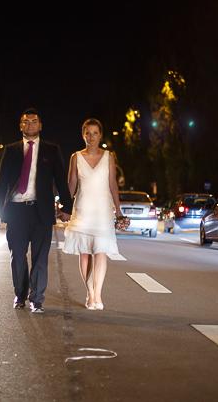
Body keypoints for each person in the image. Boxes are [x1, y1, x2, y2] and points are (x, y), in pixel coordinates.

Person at [0, 109, 73, 313]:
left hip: (41, 211)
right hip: (16, 211)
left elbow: (61, 180)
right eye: (26, 121)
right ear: (21, 125)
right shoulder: (11, 150)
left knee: (40, 258)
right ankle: (20, 295)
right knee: (18, 256)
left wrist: (67, 207)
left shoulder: (51, 150)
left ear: (40, 125)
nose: (30, 125)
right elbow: (2, 182)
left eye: (34, 121)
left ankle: (37, 299)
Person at [62, 118, 123, 310]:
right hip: (82, 210)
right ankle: (89, 292)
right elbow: (72, 184)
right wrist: (65, 208)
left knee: (101, 251)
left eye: (95, 132)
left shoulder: (109, 157)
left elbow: (113, 184)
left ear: (100, 135)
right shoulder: (76, 157)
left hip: (103, 211)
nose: (91, 136)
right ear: (83, 135)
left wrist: (118, 209)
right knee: (85, 253)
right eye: (87, 133)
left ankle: (98, 294)